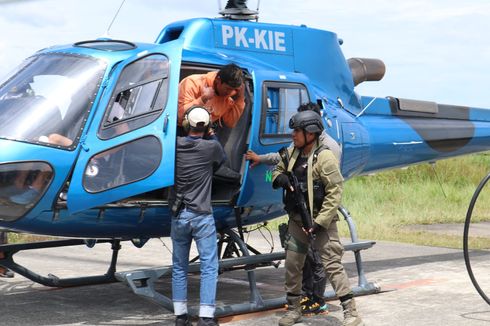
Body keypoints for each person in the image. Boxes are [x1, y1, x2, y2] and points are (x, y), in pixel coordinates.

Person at [245, 103, 340, 315]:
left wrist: (319, 218)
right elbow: (284, 158)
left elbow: (331, 187)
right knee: (300, 258)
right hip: (300, 209)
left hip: (318, 211)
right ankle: (305, 295)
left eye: (299, 127)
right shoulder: (301, 146)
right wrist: (261, 160)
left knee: (318, 257)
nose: (294, 133)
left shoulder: (328, 148)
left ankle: (317, 298)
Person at [272, 110, 363, 326]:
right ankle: (294, 309)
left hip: (322, 222)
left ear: (310, 133)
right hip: (297, 221)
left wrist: (319, 222)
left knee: (332, 265)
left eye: (297, 131)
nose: (293, 135)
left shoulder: (325, 158)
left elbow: (335, 192)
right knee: (293, 265)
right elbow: (276, 171)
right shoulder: (291, 154)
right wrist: (281, 178)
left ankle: (351, 312)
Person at [169, 106, 226, 326]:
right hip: (201, 215)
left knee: (179, 266)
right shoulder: (210, 147)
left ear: (186, 125)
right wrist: (213, 134)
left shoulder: (175, 146)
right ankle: (206, 317)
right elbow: (222, 159)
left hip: (179, 215)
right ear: (207, 126)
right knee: (209, 266)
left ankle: (180, 316)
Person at [178, 63, 245, 129]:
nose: (229, 92)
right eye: (228, 88)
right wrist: (202, 99)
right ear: (218, 80)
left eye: (234, 89)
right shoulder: (193, 82)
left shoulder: (228, 99)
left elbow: (230, 123)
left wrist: (240, 98)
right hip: (180, 127)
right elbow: (179, 116)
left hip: (203, 132)